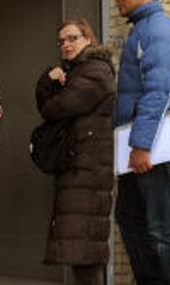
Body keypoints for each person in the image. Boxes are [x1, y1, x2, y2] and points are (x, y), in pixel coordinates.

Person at [113, 0, 170, 284]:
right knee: (130, 219)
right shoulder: (141, 30)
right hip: (140, 140)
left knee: (161, 225)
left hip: (156, 140)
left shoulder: (159, 30)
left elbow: (159, 91)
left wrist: (142, 144)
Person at [35, 19, 115, 285]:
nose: (66, 45)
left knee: (84, 247)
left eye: (72, 38)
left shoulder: (94, 71)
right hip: (82, 165)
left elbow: (57, 108)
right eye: (61, 41)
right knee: (80, 245)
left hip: (88, 169)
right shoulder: (79, 71)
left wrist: (47, 83)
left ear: (88, 39)